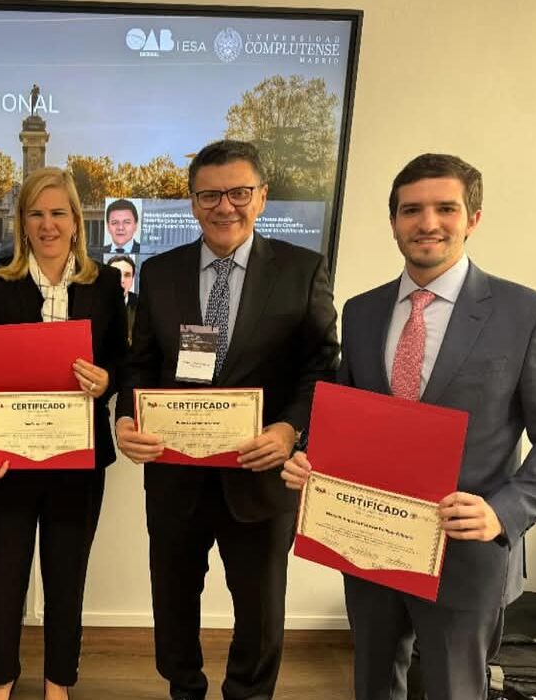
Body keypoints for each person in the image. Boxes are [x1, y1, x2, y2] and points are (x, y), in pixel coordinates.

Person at [282, 153, 536, 699]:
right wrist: (312, 458)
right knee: (373, 685)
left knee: (454, 690)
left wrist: (503, 511)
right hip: (368, 543)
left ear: (473, 218)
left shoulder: (529, 315)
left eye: (445, 208)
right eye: (411, 210)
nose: (428, 223)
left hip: (465, 555)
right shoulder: (361, 312)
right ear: (394, 222)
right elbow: (347, 418)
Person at [115, 140, 339, 700]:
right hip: (175, 475)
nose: (225, 207)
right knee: (172, 598)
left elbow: (323, 367)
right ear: (193, 204)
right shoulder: (161, 273)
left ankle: (248, 694)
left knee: (260, 609)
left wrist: (290, 430)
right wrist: (125, 416)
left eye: (239, 193)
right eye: (210, 195)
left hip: (260, 476)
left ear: (261, 197)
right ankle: (184, 689)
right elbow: (139, 364)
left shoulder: (300, 270)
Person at [0, 167, 128, 700]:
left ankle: (59, 681)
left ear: (77, 221)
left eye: (59, 213)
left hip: (78, 461)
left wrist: (107, 381)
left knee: (65, 576)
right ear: (22, 223)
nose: (48, 224)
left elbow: (123, 362)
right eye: (37, 213)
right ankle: (1, 678)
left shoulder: (104, 285)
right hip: (9, 459)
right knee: (4, 574)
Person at [105, 254, 138, 343]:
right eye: (116, 274)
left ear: (132, 279)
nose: (122, 280)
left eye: (127, 275)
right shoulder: (92, 305)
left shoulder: (143, 306)